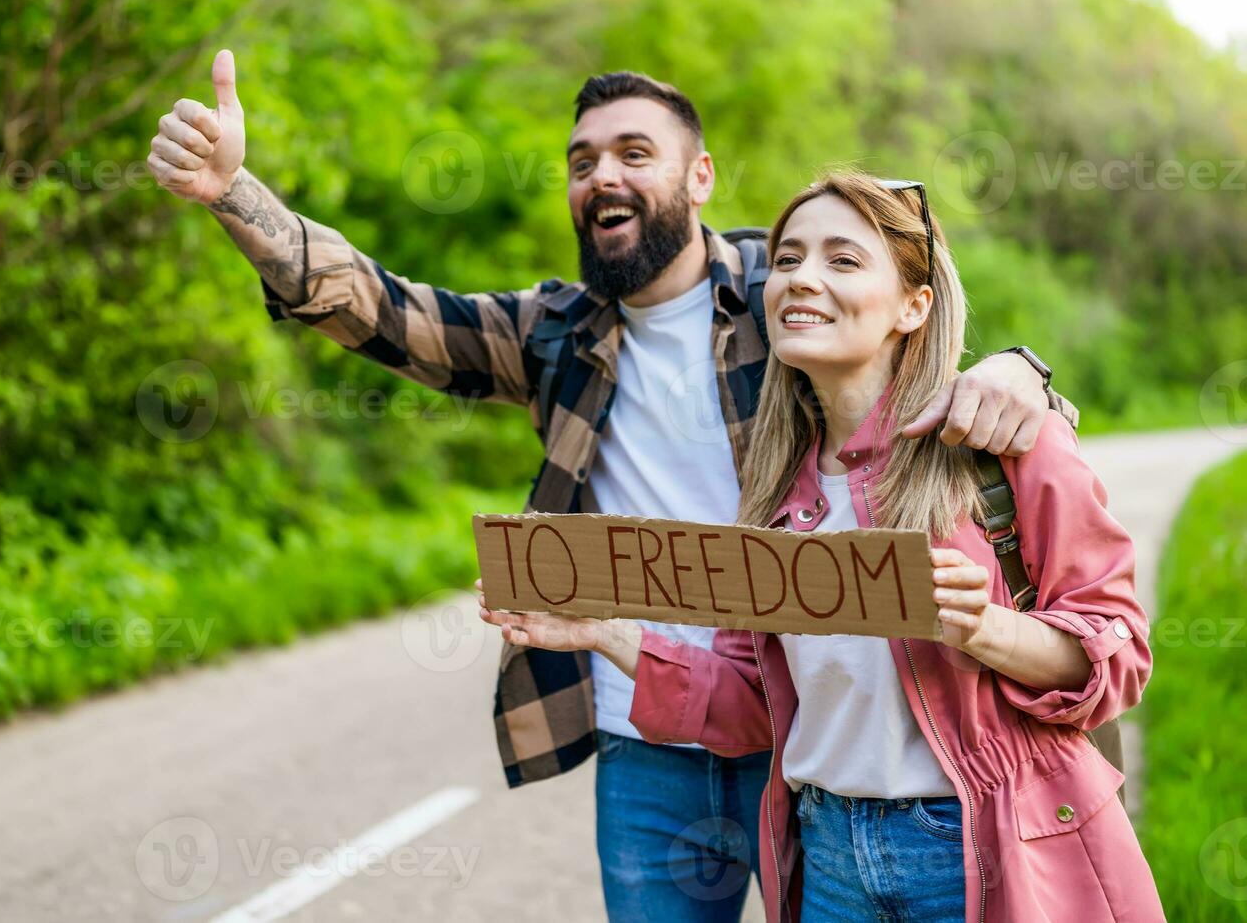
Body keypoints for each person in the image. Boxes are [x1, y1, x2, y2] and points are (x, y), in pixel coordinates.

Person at [148, 53, 1075, 921]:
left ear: (700, 176)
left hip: (805, 721)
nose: (605, 177)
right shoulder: (554, 331)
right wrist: (233, 192)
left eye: (637, 153)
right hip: (642, 727)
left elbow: (925, 349)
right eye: (582, 161)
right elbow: (385, 312)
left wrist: (1022, 369)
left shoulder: (783, 285)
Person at [480, 172, 1164, 922]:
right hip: (829, 861)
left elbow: (1121, 653)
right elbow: (754, 706)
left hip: (982, 847)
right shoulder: (774, 492)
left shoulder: (1005, 444)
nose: (802, 279)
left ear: (915, 305)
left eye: (843, 260)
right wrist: (600, 633)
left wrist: (990, 631)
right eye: (789, 260)